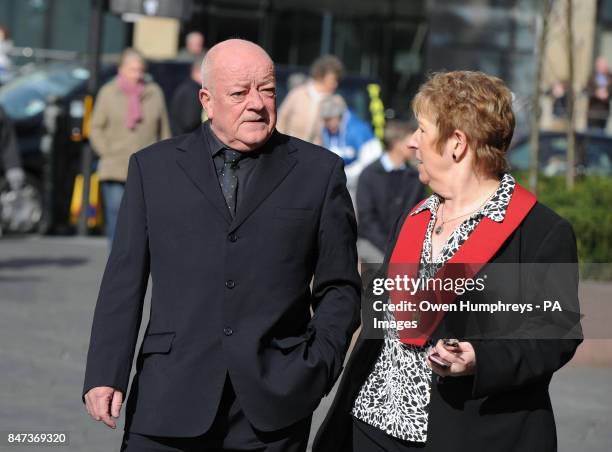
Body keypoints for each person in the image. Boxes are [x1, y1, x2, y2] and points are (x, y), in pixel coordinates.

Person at [82, 39, 360, 452]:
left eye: (267, 90)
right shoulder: (153, 168)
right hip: (168, 400)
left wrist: (315, 368)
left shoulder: (318, 173)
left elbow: (341, 286)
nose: (257, 103)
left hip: (272, 409)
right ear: (207, 101)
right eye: (239, 92)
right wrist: (106, 371)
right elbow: (123, 280)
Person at [314, 71, 582, 452]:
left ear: (457, 143)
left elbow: (555, 334)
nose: (411, 142)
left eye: (422, 130)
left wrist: (481, 359)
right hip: (371, 426)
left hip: (463, 433)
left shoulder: (539, 231)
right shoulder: (416, 215)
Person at [89, 48, 170, 244]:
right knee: (116, 215)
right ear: (121, 69)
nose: (138, 74)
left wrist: (165, 158)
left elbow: (164, 130)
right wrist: (106, 151)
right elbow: (95, 127)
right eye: (133, 69)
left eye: (140, 70)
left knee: (143, 219)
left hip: (147, 168)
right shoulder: (108, 93)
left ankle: (137, 261)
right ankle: (116, 261)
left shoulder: (154, 92)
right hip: (115, 166)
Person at [356, 120, 424, 263]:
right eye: (410, 141)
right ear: (397, 143)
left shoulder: (415, 177)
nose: (415, 146)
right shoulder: (369, 175)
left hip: (404, 245)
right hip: (373, 244)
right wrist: (390, 248)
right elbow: (367, 221)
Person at [319, 94, 382, 197]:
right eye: (324, 120)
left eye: (329, 120)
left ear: (338, 116)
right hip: (340, 184)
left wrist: (341, 175)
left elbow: (369, 166)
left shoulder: (359, 130)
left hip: (359, 187)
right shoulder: (327, 131)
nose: (326, 124)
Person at [277, 54, 343, 144]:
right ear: (321, 75)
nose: (335, 84)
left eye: (337, 80)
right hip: (289, 149)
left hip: (316, 154)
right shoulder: (298, 93)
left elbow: (339, 132)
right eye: (333, 79)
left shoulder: (336, 101)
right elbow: (281, 119)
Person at [170, 54, 205, 135]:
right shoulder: (192, 91)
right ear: (198, 71)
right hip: (186, 139)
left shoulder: (187, 87)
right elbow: (190, 122)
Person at [586, 56, 612, 130]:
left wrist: (607, 94)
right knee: (590, 134)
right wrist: (596, 93)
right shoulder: (592, 77)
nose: (604, 67)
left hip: (604, 112)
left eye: (605, 65)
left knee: (601, 135)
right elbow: (586, 90)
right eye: (602, 65)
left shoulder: (610, 77)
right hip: (592, 112)